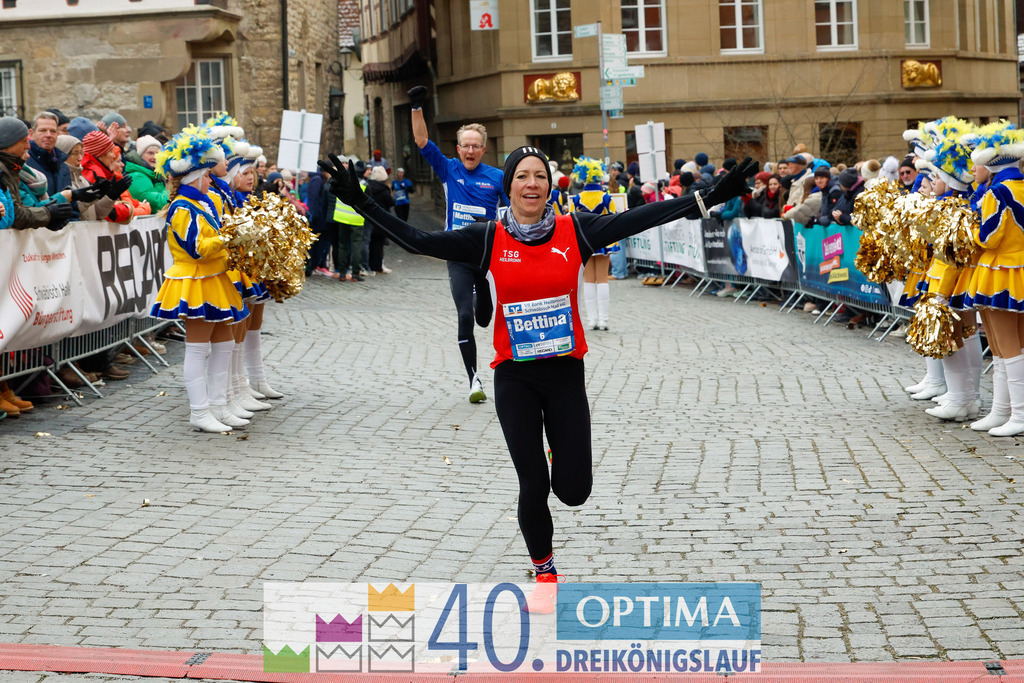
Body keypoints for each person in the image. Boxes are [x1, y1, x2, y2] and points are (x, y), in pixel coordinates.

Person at [319, 148, 758, 612]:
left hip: (565, 374)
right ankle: (545, 573)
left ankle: (559, 449)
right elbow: (418, 241)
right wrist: (362, 201)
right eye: (522, 177)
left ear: (550, 186)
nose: (532, 184)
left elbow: (642, 218)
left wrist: (706, 197)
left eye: (540, 176)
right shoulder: (486, 237)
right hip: (515, 379)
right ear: (507, 186)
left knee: (573, 491)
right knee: (533, 482)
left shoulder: (576, 229)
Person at [407, 84, 507, 403]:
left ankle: (484, 301)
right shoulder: (449, 168)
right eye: (465, 146)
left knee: (483, 317)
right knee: (465, 316)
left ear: (483, 150)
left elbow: (511, 214)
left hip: (487, 256)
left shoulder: (497, 177)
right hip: (457, 254)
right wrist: (416, 106)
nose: (470, 151)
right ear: (458, 147)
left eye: (475, 146)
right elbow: (422, 141)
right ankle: (473, 380)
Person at [149, 127, 251, 433]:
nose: (211, 180)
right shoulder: (182, 208)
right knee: (197, 348)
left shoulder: (201, 204)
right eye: (206, 176)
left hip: (213, 278)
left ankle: (219, 405)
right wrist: (228, 237)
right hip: (195, 280)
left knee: (224, 344)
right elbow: (196, 250)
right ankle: (199, 410)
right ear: (193, 178)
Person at [570, 157, 618, 330]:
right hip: (603, 240)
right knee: (602, 279)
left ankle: (591, 320)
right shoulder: (606, 197)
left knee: (588, 279)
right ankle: (603, 320)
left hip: (584, 241)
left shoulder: (576, 199)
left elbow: (571, 223)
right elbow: (613, 219)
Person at [0, 116, 73, 230]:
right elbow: (16, 215)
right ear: (9, 142)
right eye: (24, 141)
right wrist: (49, 213)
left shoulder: (11, 166)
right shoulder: (3, 168)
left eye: (53, 131)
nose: (28, 146)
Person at [25, 111, 71, 198]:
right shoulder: (25, 163)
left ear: (57, 134)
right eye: (43, 130)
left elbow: (72, 202)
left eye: (53, 131)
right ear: (31, 134)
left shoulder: (63, 163)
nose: (48, 135)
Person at [125, 135, 169, 211]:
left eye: (158, 153)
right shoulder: (136, 176)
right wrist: (170, 189)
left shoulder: (155, 176)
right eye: (150, 153)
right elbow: (158, 205)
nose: (155, 157)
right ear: (140, 156)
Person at [366, 165, 395, 273]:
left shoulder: (368, 186)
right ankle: (378, 266)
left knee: (371, 243)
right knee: (379, 244)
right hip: (382, 220)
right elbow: (391, 203)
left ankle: (370, 264)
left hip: (370, 218)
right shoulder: (384, 190)